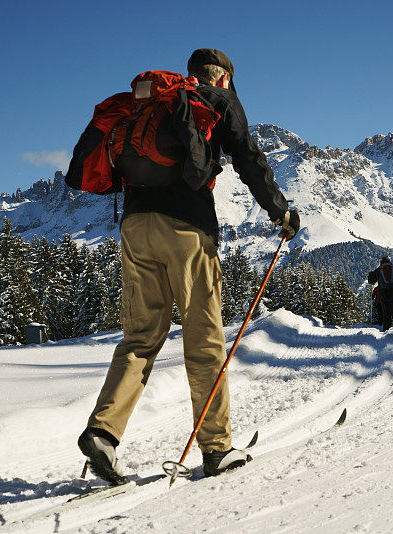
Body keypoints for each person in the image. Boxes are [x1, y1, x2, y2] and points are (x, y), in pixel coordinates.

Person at [77, 49, 300, 485]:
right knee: (204, 341)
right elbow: (249, 159)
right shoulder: (214, 101)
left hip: (135, 227)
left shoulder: (153, 105)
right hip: (186, 231)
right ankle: (216, 450)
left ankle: (103, 432)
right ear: (222, 78)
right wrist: (280, 212)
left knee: (139, 338)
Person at [367, 255, 393, 331]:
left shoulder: (379, 270)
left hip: (383, 294)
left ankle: (386, 333)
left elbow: (371, 281)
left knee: (386, 315)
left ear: (381, 261)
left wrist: (370, 274)